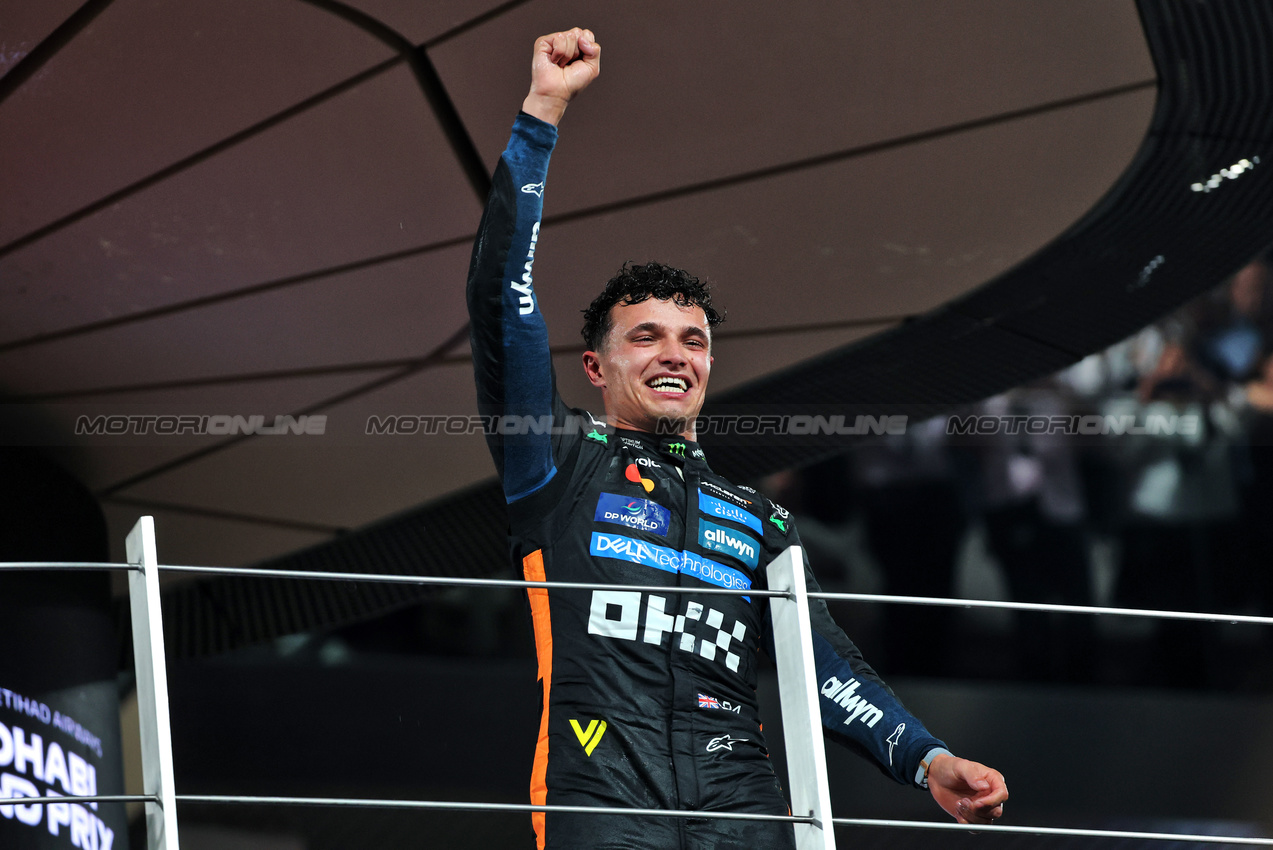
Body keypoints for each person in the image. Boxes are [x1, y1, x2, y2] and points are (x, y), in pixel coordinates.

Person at [465, 27, 1008, 850]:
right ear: (593, 367)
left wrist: (925, 760)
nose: (674, 355)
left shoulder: (757, 517)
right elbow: (502, 305)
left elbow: (822, 666)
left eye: (693, 340)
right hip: (602, 795)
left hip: (743, 804)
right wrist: (541, 112)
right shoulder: (557, 465)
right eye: (645, 337)